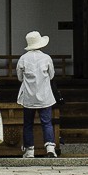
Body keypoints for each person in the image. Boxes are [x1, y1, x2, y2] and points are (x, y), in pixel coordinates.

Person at [15, 30, 58, 158]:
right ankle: (50, 149)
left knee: (28, 123)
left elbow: (19, 77)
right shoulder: (46, 58)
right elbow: (51, 75)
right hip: (45, 95)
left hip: (28, 96)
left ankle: (29, 151)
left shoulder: (23, 58)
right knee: (47, 122)